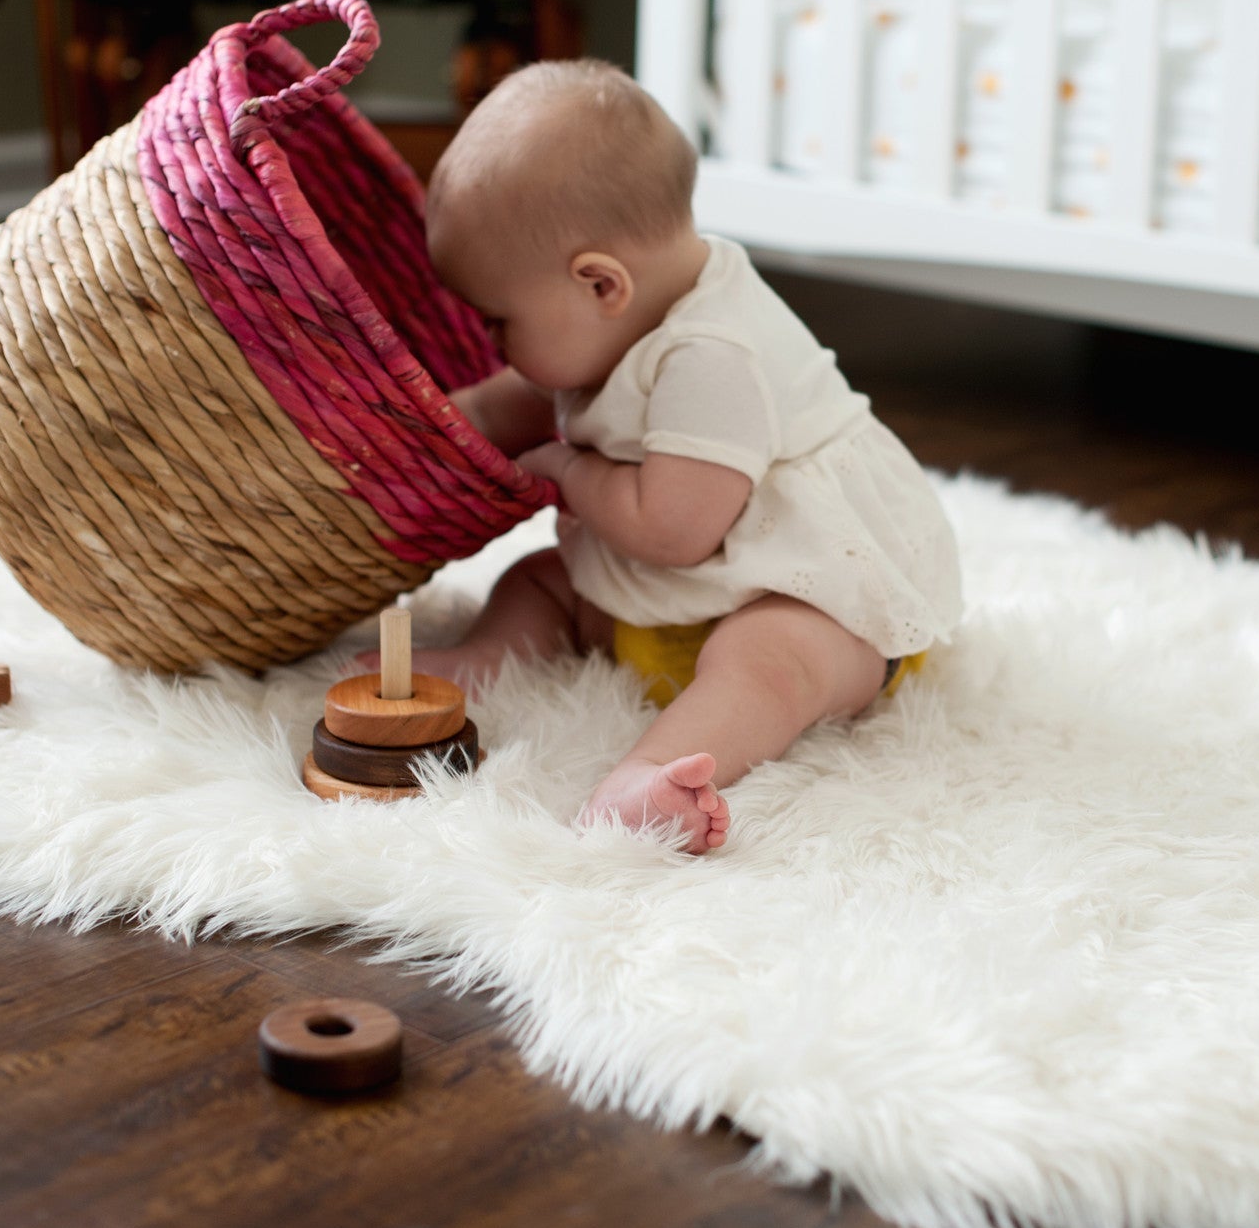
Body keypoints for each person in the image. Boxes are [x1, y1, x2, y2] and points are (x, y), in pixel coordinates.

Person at [375, 59, 962, 853]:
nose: (491, 341)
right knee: (541, 583)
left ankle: (650, 778)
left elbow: (675, 531)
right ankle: (484, 660)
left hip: (809, 585)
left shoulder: (715, 355)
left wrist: (570, 471)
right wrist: (430, 424)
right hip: (678, 580)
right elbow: (517, 399)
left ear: (599, 284)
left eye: (499, 321)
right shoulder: (616, 315)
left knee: (766, 659)